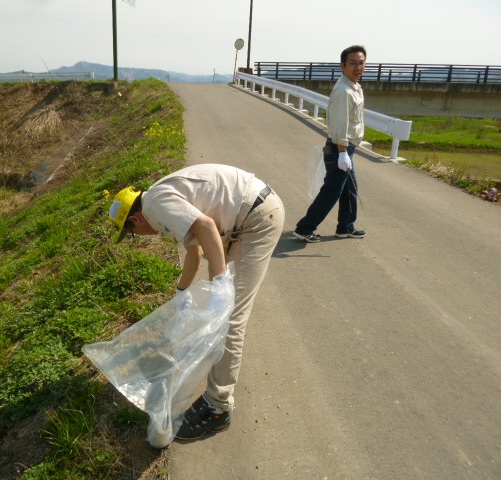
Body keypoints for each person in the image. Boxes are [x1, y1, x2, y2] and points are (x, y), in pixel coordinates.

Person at [108, 163, 284, 439]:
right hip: (244, 218)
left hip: (256, 219)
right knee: (219, 312)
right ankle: (217, 393)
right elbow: (194, 251)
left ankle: (217, 408)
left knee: (228, 318)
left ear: (136, 220)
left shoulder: (155, 205)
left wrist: (221, 282)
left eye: (131, 234)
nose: (138, 238)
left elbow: (206, 226)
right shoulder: (160, 205)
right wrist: (181, 293)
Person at [293, 45, 368, 243]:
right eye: (352, 63)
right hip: (340, 148)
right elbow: (340, 124)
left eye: (361, 63)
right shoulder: (344, 91)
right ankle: (304, 228)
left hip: (346, 149)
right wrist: (342, 153)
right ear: (343, 66)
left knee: (350, 190)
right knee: (332, 192)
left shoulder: (354, 87)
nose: (358, 67)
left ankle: (345, 227)